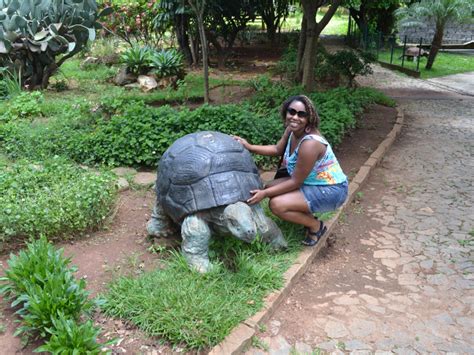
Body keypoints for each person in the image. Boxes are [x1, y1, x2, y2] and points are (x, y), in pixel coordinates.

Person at [233, 95, 348, 246]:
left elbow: (295, 181)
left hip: (332, 190)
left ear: (309, 118)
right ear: (286, 112)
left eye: (301, 114)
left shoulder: (310, 144)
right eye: (291, 112)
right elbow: (277, 149)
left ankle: (316, 226)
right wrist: (249, 146)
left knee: (276, 204)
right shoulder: (292, 131)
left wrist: (265, 195)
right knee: (270, 186)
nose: (295, 117)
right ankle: (306, 214)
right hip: (312, 182)